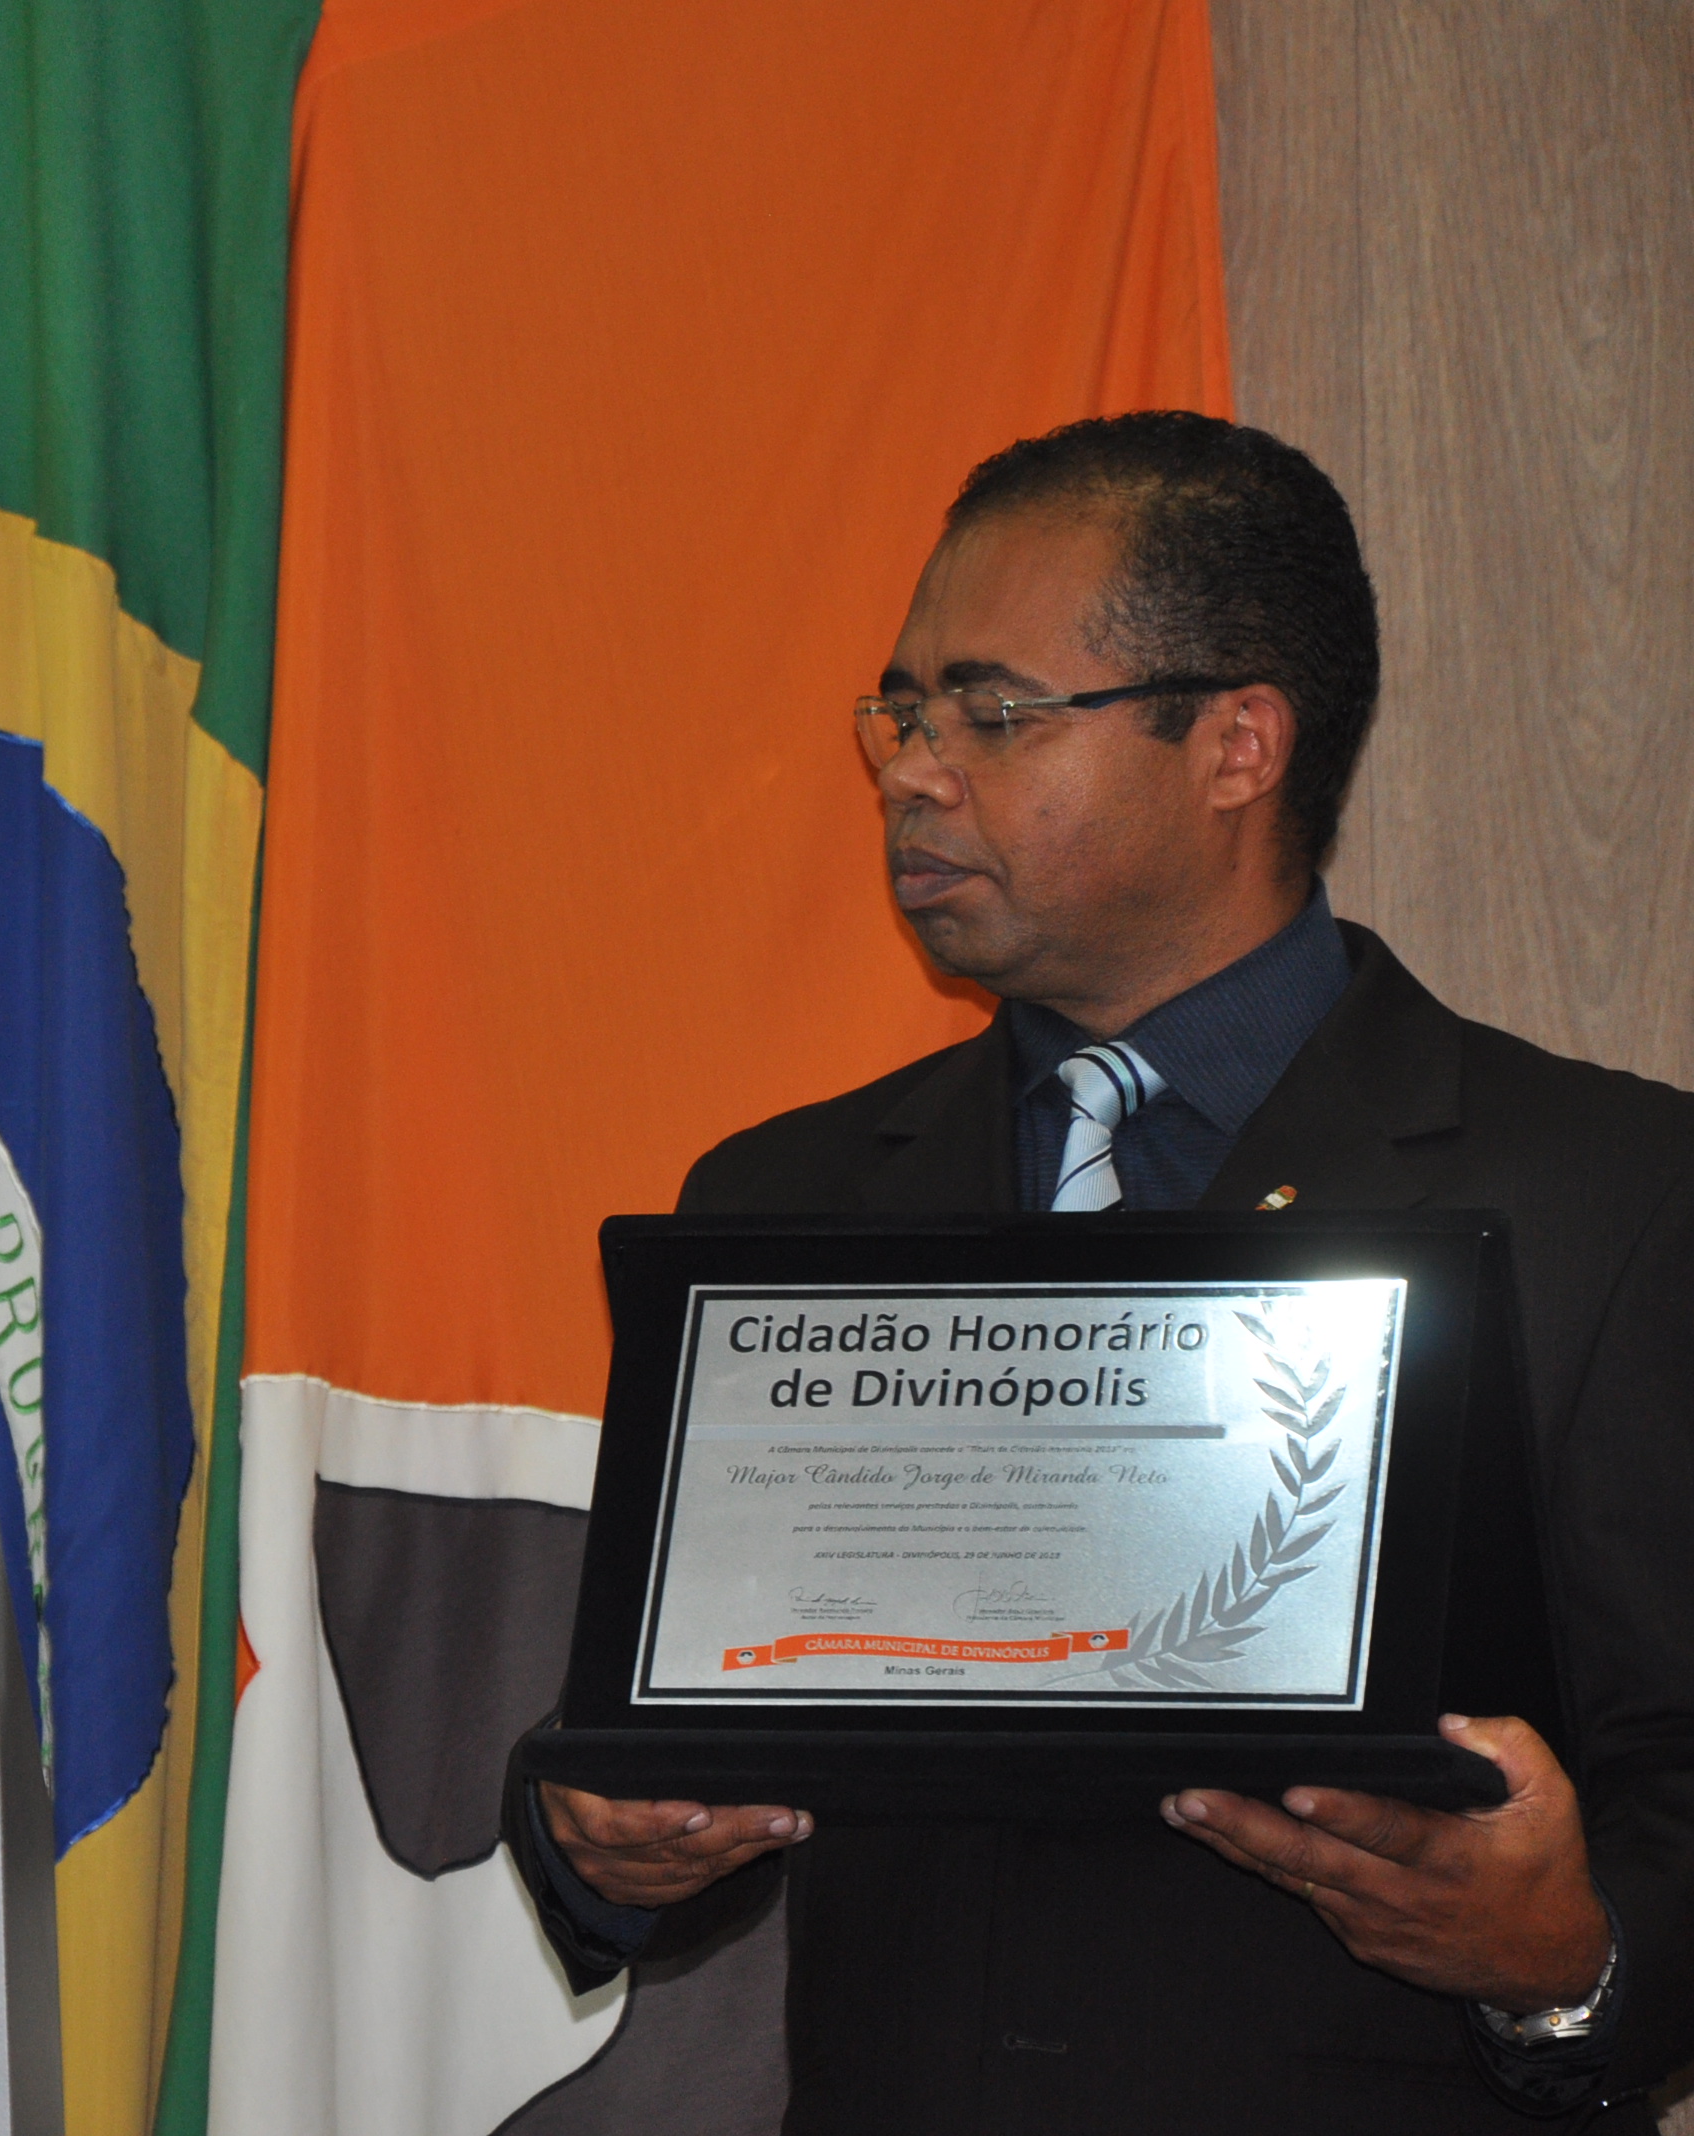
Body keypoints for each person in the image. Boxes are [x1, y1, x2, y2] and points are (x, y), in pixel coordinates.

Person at [505, 413, 1694, 2131]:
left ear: (1235, 744)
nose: (910, 768)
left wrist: (1562, 1951)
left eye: (987, 713)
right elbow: (644, 1721)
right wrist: (598, 1828)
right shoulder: (790, 1198)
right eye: (900, 713)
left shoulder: (1616, 1193)